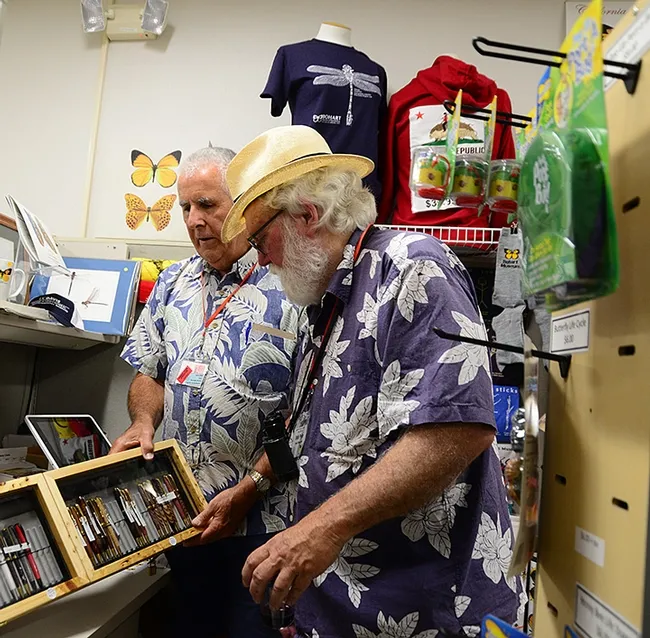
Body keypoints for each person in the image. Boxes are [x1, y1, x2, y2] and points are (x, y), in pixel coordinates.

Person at [219, 126, 523, 638]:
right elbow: (330, 450)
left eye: (258, 238)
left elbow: (456, 428)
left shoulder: (412, 268)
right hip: (348, 612)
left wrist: (319, 529)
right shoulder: (327, 299)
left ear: (306, 216)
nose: (259, 258)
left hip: (427, 614)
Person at [113, 146, 301, 638]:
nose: (194, 221)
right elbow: (148, 372)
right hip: (177, 519)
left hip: (262, 526)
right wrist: (141, 422)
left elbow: (306, 410)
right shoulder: (172, 282)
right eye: (185, 208)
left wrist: (251, 488)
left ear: (242, 203)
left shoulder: (291, 284)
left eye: (208, 205)